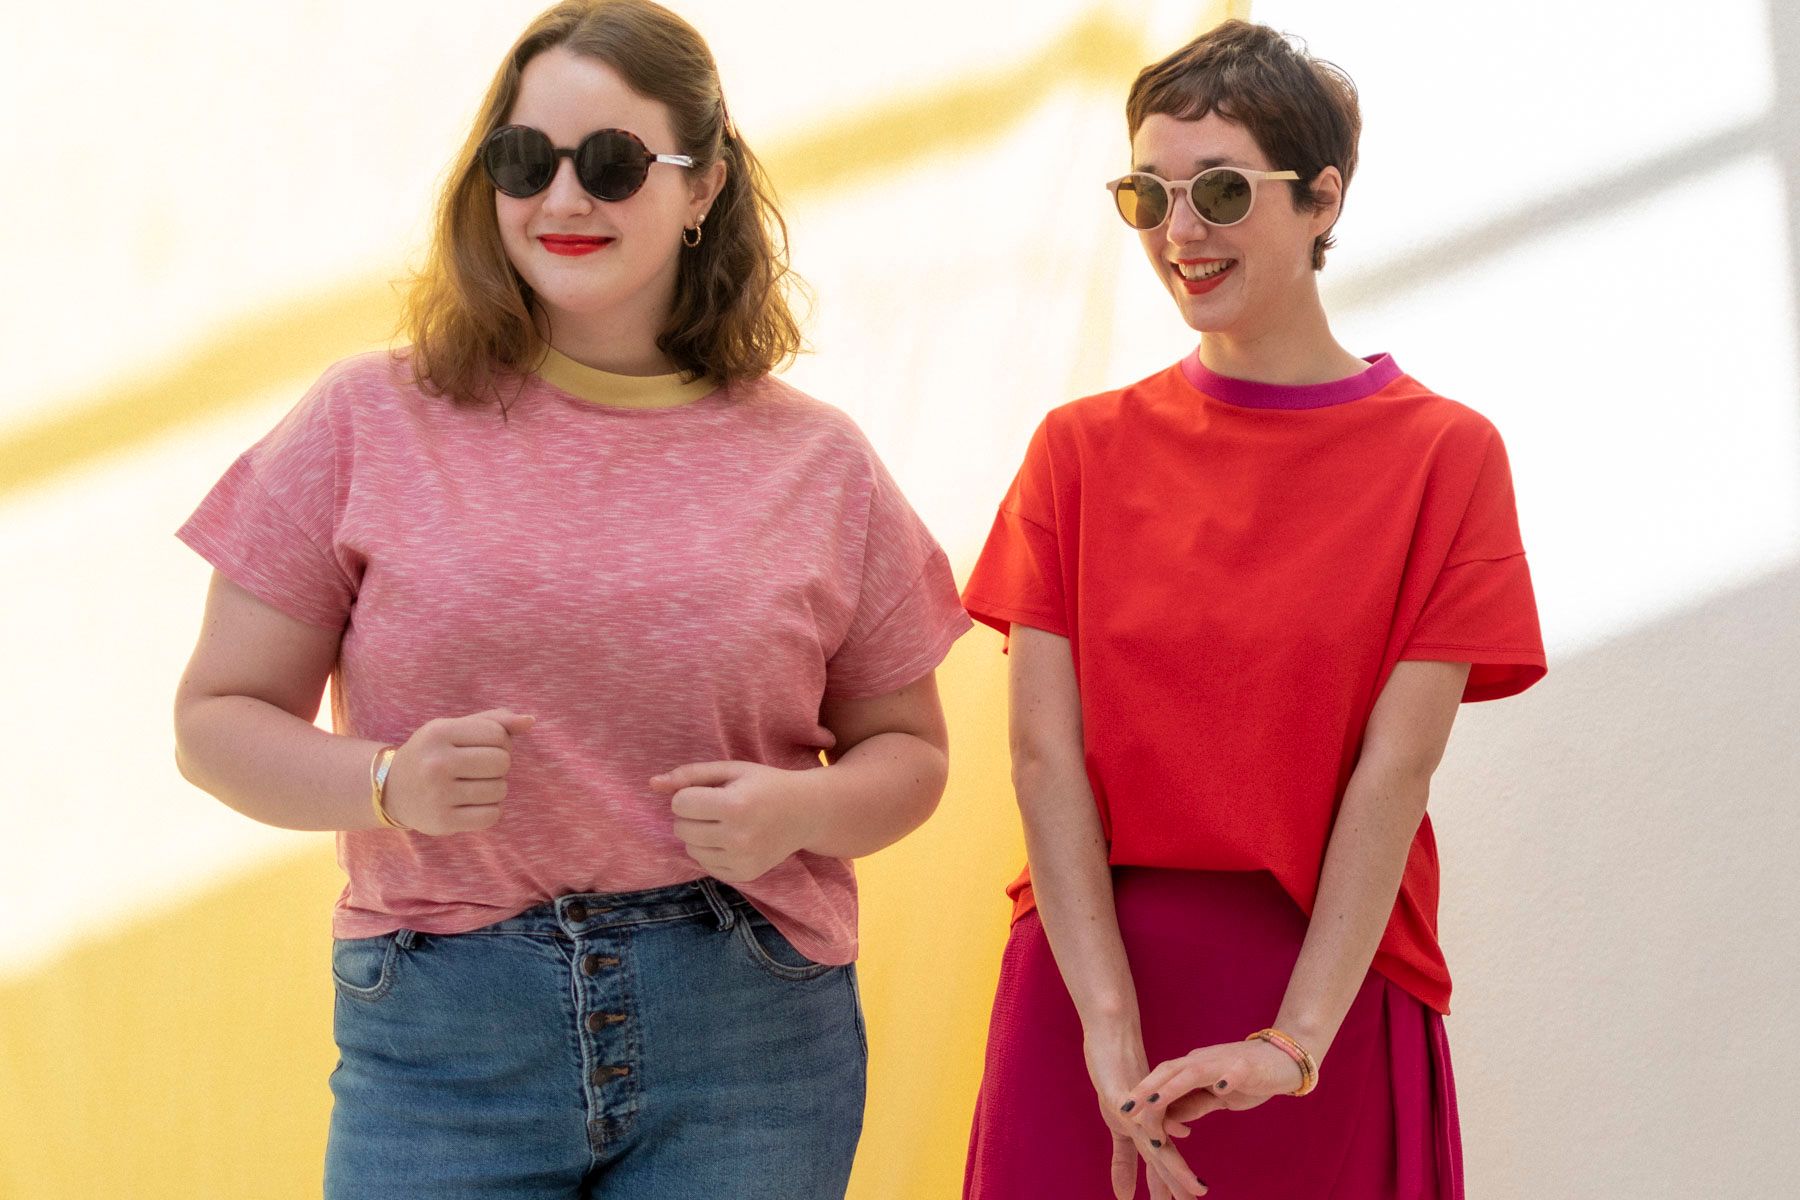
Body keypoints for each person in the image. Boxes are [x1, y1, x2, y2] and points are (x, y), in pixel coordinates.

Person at [171, 2, 970, 1196]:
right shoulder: (364, 419)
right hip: (445, 1035)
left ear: (701, 190)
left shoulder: (820, 462)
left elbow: (909, 753)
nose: (561, 199)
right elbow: (214, 722)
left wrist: (795, 815)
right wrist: (383, 783)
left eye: (610, 164)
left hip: (747, 1037)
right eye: (522, 160)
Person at [959, 20, 1545, 1200]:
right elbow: (1041, 755)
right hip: (1089, 979)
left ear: (1323, 198)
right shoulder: (1077, 453)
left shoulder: (1445, 457)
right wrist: (1107, 1032)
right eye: (1150, 195)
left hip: (1322, 992)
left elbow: (1394, 774)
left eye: (1222, 190)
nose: (1181, 233)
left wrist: (1294, 1043)